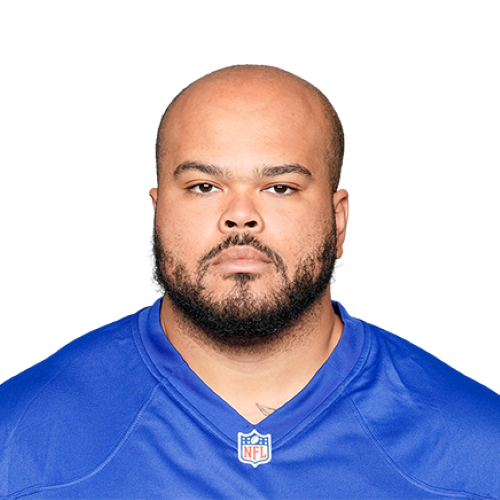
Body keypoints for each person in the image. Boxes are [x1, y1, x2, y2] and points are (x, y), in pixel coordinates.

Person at [1, 64, 499, 500]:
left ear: (339, 220)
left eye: (279, 187)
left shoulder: (479, 447)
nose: (240, 216)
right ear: (156, 213)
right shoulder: (18, 438)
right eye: (204, 186)